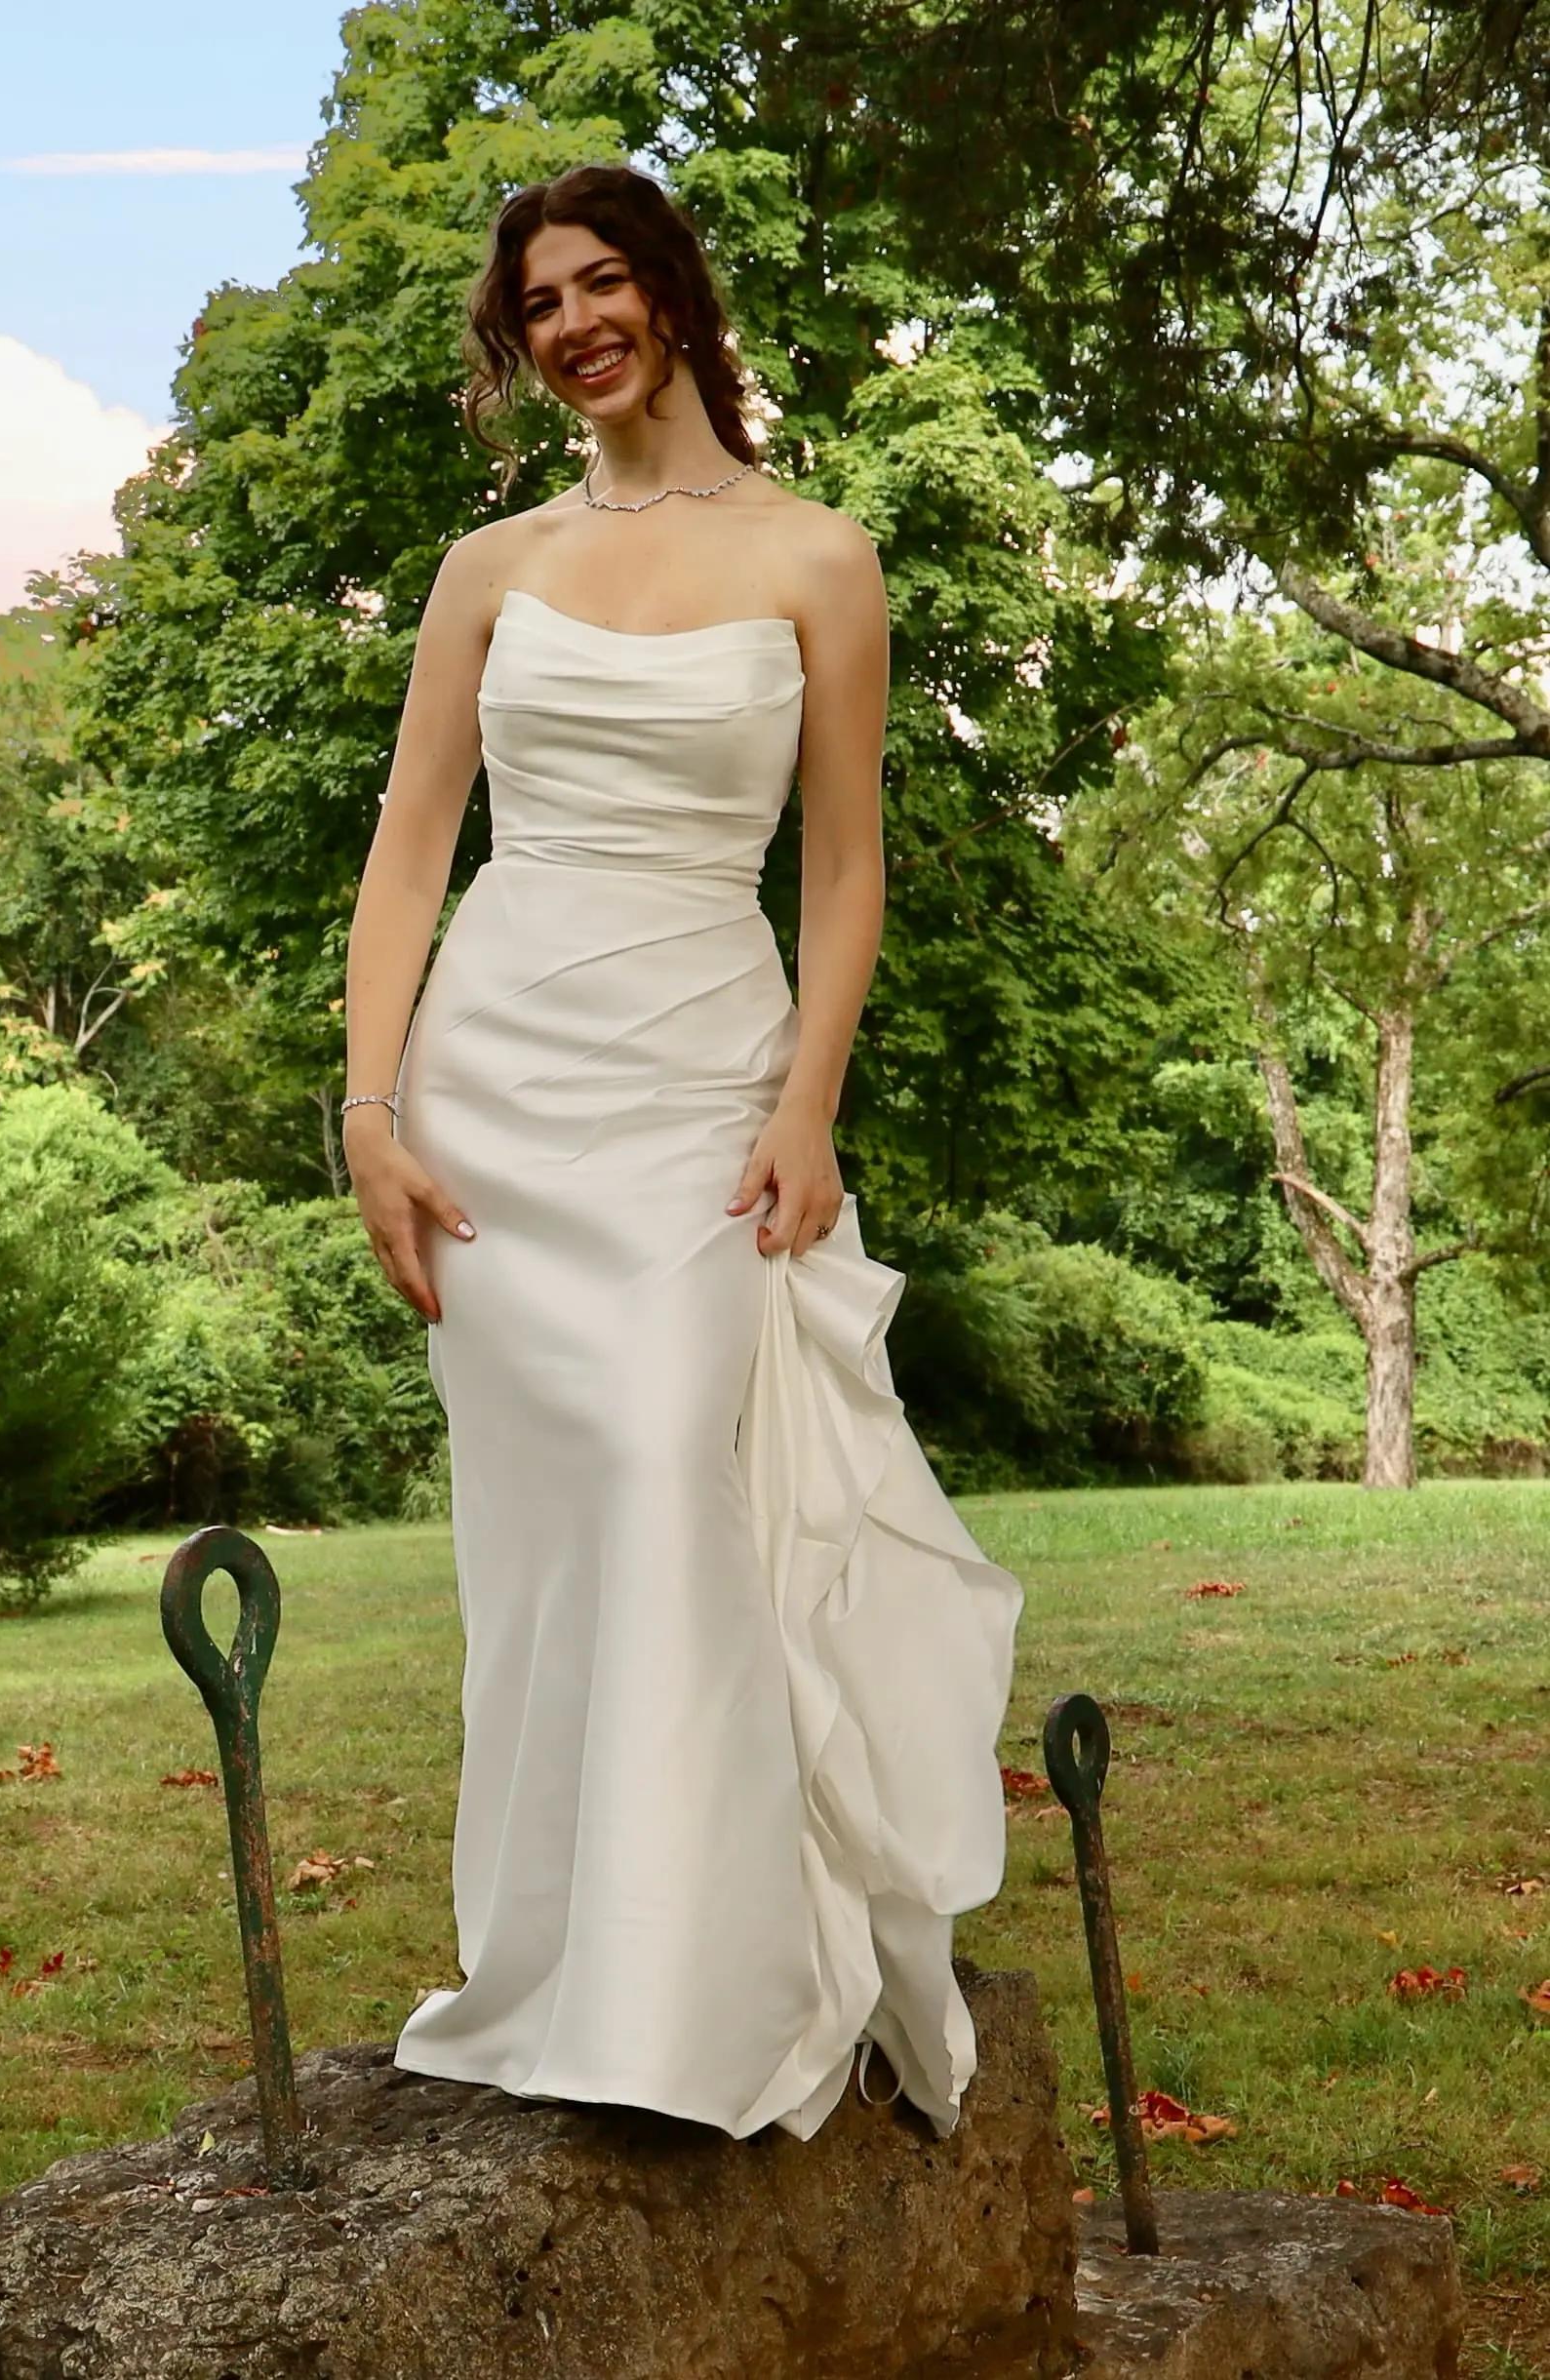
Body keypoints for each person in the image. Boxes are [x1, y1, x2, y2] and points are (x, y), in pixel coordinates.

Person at [341, 161, 1024, 2143]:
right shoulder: (491, 571)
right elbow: (409, 846)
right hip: (499, 1083)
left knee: (672, 1462)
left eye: (603, 280)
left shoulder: (820, 555)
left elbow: (842, 860)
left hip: (701, 1080)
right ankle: (557, 1968)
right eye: (538, 300)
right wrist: (373, 1109)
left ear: (673, 292)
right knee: (552, 1533)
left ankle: (707, 1985)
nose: (573, 321)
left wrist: (806, 1100)